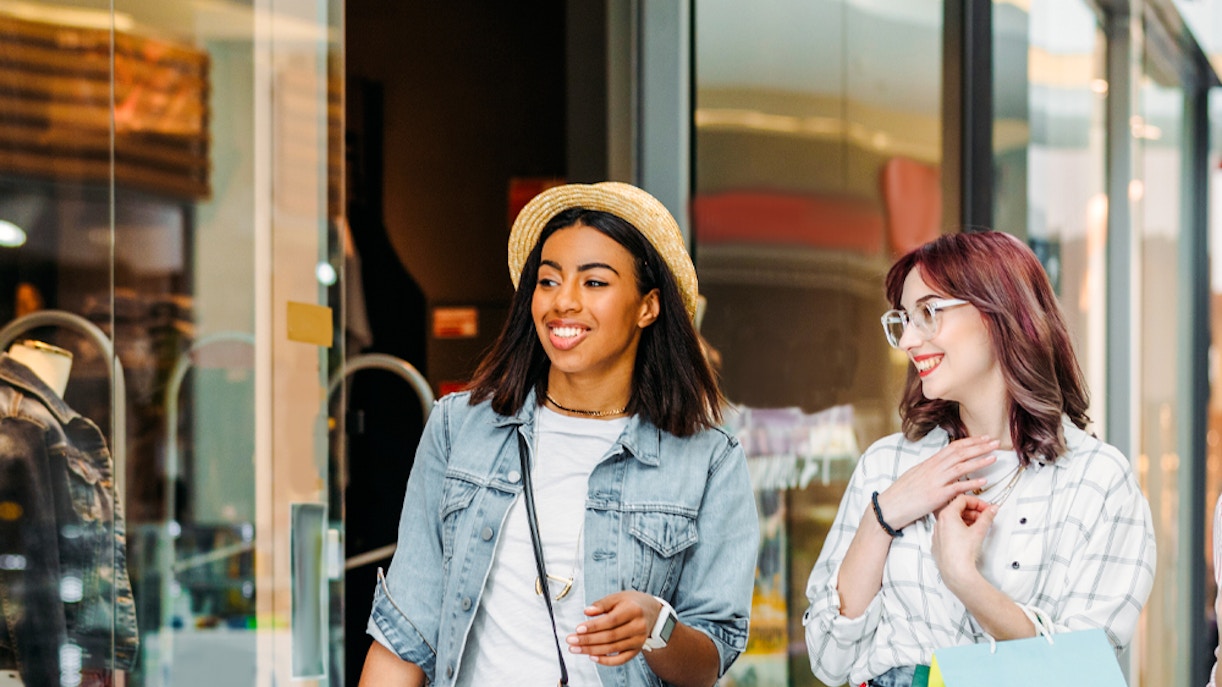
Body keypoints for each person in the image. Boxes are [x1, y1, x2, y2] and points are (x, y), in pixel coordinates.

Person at [358, 181, 759, 687]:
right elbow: (406, 635)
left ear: (648, 306)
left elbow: (709, 657)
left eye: (594, 283)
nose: (563, 302)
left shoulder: (707, 457)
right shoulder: (460, 428)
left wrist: (657, 628)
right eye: (548, 281)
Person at [803, 230, 1156, 687]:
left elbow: (1080, 675)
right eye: (903, 320)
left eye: (929, 312)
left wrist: (963, 578)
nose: (909, 339)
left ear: (998, 313)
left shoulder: (1097, 481)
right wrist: (883, 515)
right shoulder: (886, 466)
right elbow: (828, 659)